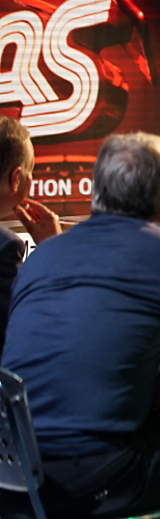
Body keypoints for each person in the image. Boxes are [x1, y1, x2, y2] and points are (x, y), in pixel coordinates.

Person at [1, 133, 160, 517]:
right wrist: (145, 359)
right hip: (88, 480)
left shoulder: (42, 254)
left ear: (96, 194)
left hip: (14, 480)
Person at [0, 116, 61, 356]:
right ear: (16, 178)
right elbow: (30, 328)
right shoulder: (6, 247)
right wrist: (53, 250)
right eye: (30, 172)